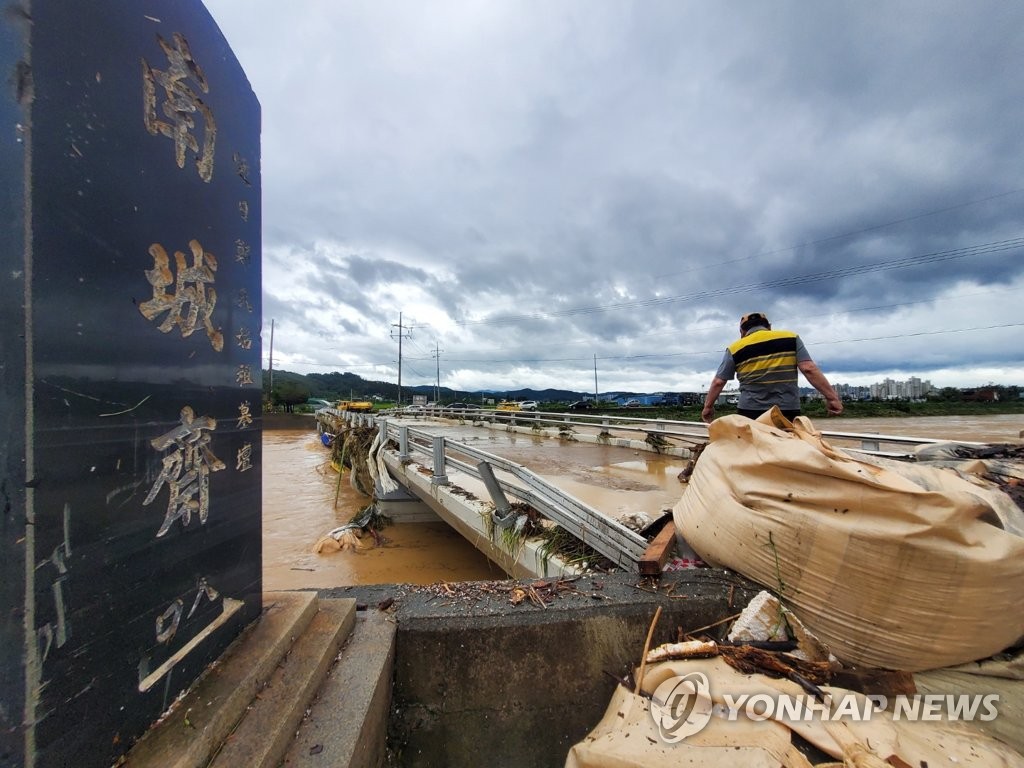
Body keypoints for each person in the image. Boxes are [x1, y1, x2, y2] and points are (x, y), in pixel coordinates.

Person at [701, 312, 843, 423]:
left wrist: (708, 407)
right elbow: (808, 368)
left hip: (750, 411)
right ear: (769, 326)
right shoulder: (791, 338)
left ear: (742, 332)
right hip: (786, 410)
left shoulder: (735, 348)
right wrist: (832, 398)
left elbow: (719, 382)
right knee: (786, 451)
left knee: (753, 453)